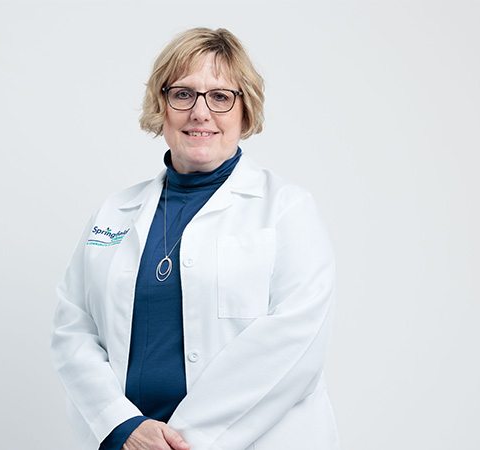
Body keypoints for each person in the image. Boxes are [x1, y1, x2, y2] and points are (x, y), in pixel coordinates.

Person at [51, 27, 339, 450]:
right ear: (161, 106)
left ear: (246, 110)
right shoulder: (114, 213)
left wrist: (183, 443)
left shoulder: (286, 210)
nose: (200, 113)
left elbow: (294, 346)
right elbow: (73, 328)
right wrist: (121, 425)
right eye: (183, 94)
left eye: (221, 97)